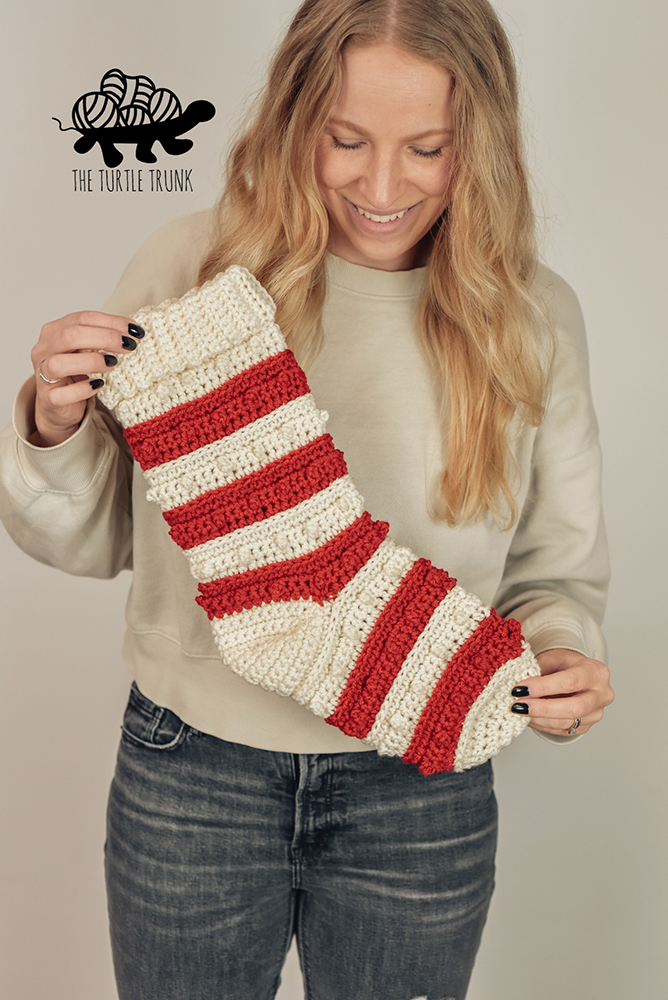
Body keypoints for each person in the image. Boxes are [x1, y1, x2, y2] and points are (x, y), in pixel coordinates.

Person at [0, 0, 614, 997]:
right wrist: (53, 423)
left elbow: (553, 571)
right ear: (294, 121)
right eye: (344, 140)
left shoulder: (529, 318)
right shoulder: (192, 274)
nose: (380, 185)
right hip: (192, 768)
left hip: (422, 770)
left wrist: (560, 657)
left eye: (427, 149)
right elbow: (97, 535)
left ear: (481, 147)